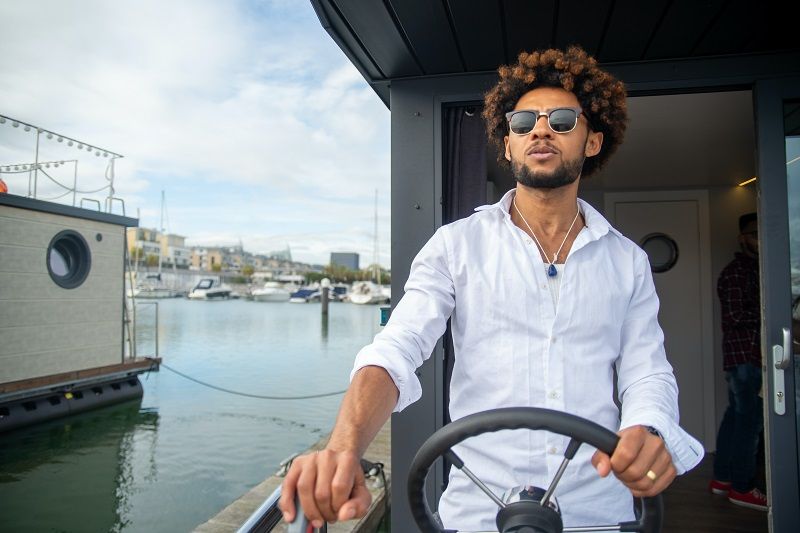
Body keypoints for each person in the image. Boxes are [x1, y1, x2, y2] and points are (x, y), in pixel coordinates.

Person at [280, 46, 703, 530]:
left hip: (598, 510)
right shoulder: (455, 246)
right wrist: (343, 446)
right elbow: (397, 347)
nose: (540, 131)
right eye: (522, 123)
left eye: (562, 120)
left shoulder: (627, 261)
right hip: (480, 510)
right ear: (507, 145)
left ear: (592, 141)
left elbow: (647, 371)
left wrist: (648, 427)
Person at [709, 212, 768, 511]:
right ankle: (742, 487)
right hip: (745, 357)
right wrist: (771, 314)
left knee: (736, 418)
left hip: (748, 357)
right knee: (749, 423)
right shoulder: (737, 272)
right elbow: (734, 316)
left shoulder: (756, 269)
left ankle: (722, 479)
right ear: (742, 238)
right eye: (755, 234)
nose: (760, 239)